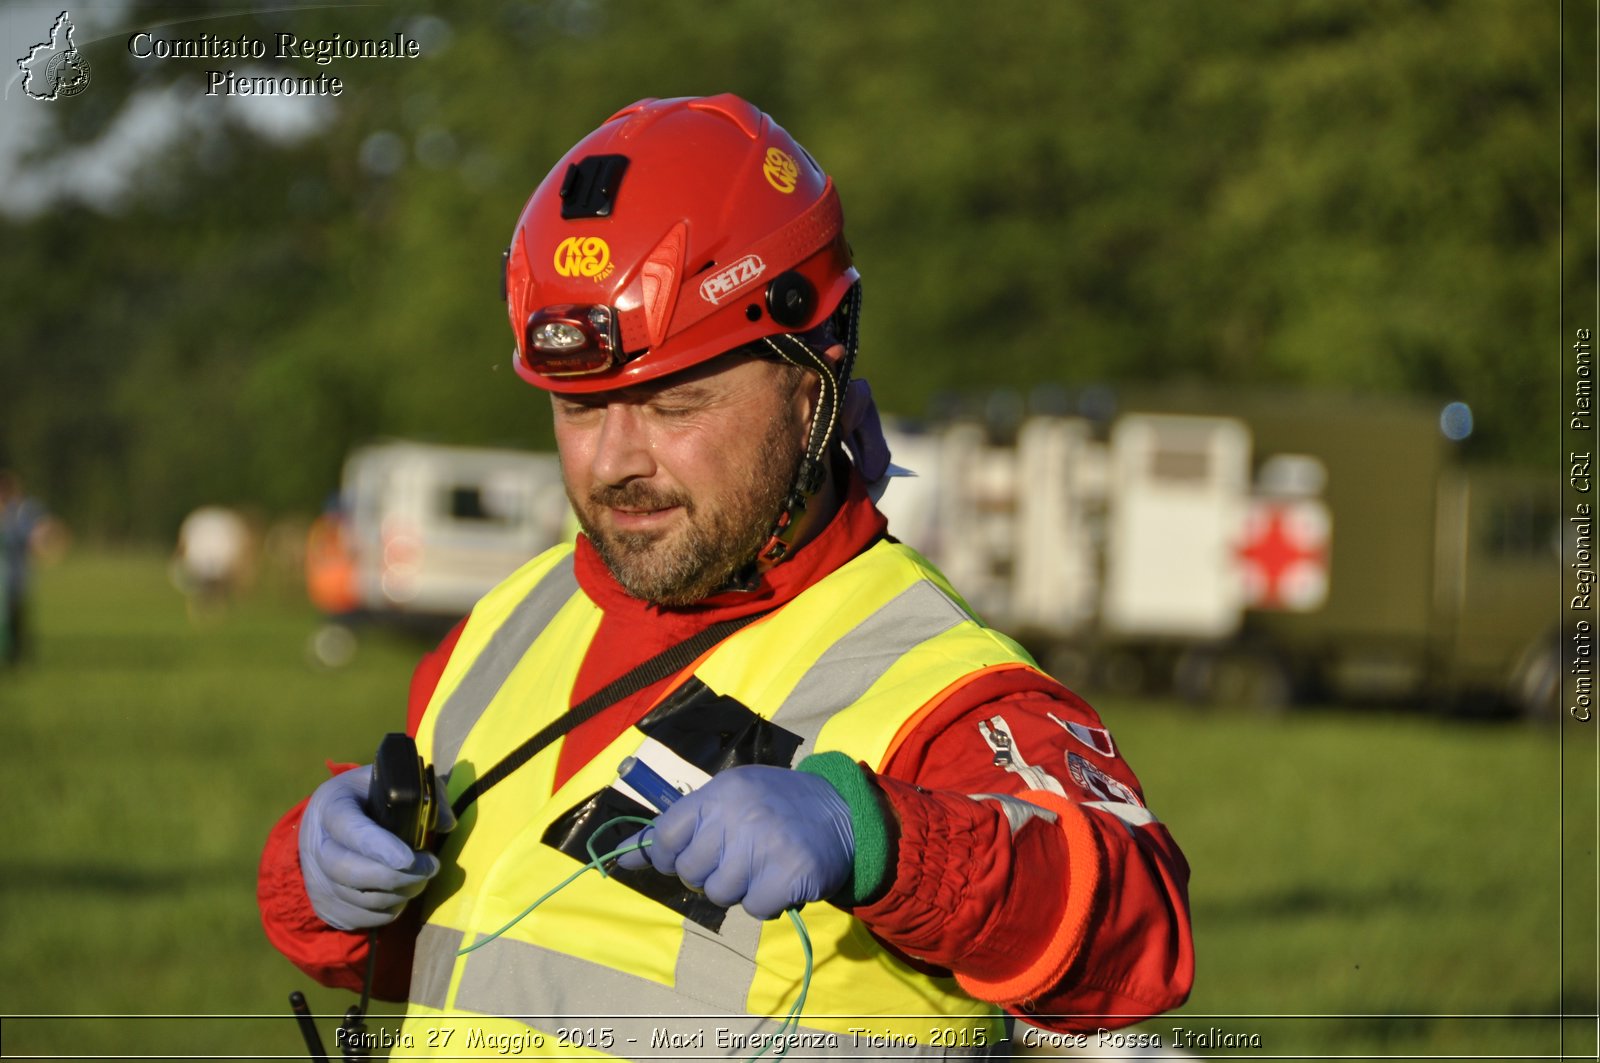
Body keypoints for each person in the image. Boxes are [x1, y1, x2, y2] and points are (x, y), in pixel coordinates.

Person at [258, 94, 1193, 1057]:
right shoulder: (512, 616)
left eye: (673, 402)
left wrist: (887, 841)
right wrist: (318, 874)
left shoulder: (931, 680)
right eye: (580, 410)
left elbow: (1138, 939)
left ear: (811, 382)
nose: (614, 460)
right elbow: (467, 966)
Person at [0, 469, 55, 666]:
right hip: (8, 578)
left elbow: (33, 538)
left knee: (17, 619)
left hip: (16, 577)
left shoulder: (19, 515)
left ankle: (16, 658)